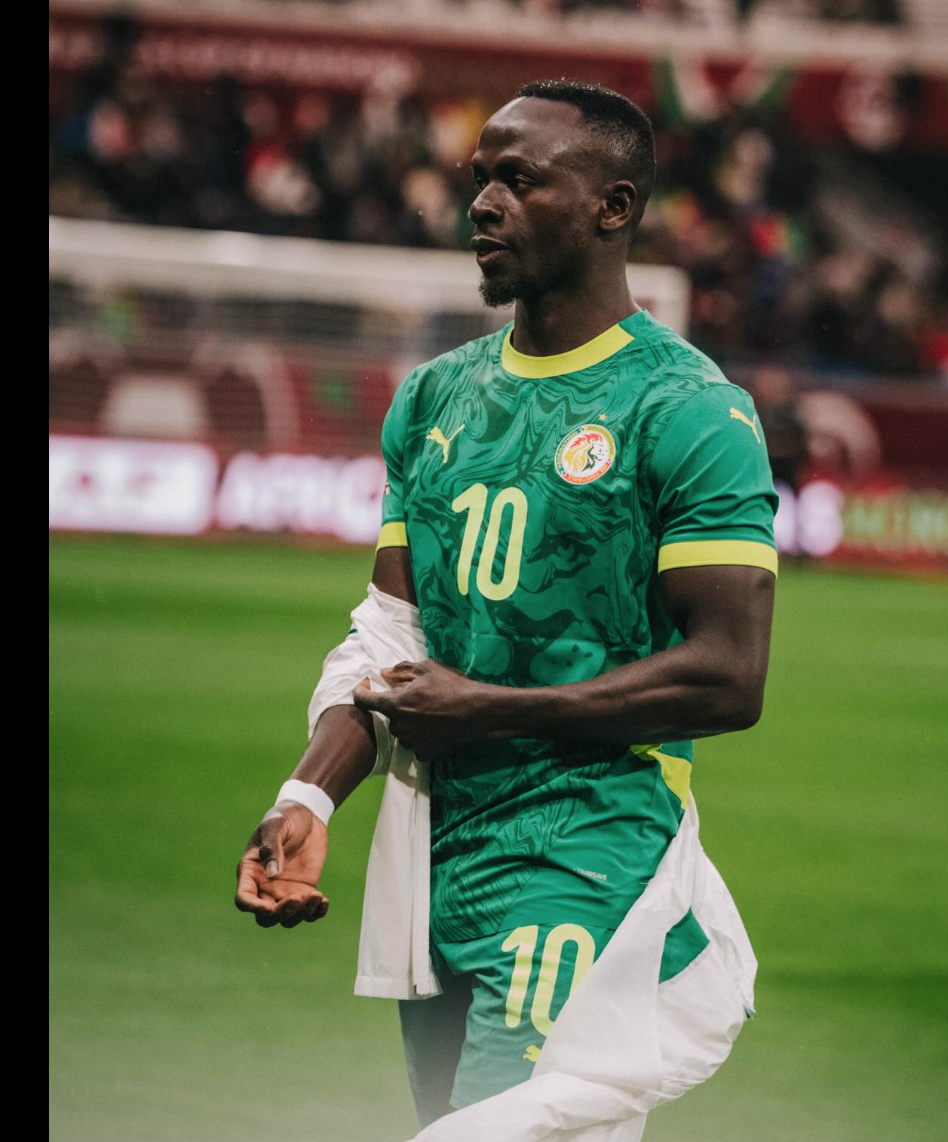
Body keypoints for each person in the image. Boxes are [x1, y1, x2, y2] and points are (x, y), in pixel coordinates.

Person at [234, 79, 778, 1130]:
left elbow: (729, 675)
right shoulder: (435, 396)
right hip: (436, 855)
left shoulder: (690, 409)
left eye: (520, 180)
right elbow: (391, 634)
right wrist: (308, 798)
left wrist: (490, 710)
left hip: (588, 848)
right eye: (481, 178)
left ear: (613, 207)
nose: (483, 203)